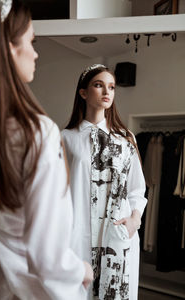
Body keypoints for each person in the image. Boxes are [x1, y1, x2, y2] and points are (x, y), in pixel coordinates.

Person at [0, 1, 93, 299]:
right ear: (8, 47)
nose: (35, 53)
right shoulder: (36, 132)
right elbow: (47, 253)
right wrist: (81, 269)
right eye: (31, 41)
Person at [62, 64, 147, 300]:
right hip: (78, 234)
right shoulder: (65, 138)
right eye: (98, 85)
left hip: (118, 234)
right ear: (83, 93)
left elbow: (137, 188)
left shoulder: (126, 139)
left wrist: (133, 220)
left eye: (111, 87)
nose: (106, 92)